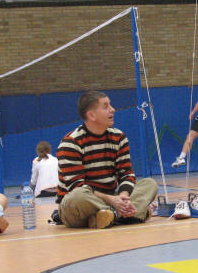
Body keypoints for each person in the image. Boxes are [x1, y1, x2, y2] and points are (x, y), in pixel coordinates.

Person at [56, 91, 158, 228]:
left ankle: (106, 217)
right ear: (91, 115)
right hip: (82, 204)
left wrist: (123, 197)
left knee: (150, 184)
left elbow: (126, 174)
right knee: (78, 196)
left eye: (110, 105)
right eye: (106, 106)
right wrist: (113, 201)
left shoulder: (119, 137)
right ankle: (126, 214)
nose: (113, 109)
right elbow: (77, 186)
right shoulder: (71, 143)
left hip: (112, 199)